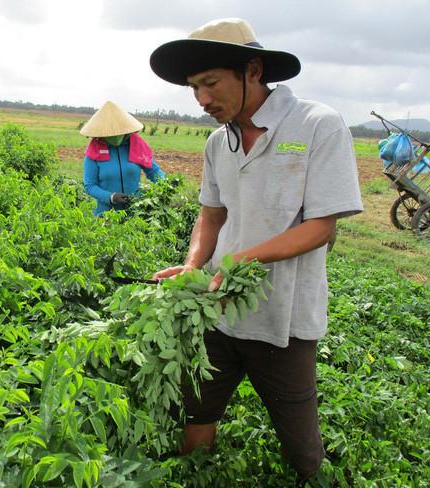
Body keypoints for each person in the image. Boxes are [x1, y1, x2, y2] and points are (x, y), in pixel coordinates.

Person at [149, 18, 364, 479]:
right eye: (194, 89)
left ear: (252, 69)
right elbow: (211, 214)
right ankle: (195, 475)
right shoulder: (216, 142)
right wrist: (192, 266)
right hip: (217, 311)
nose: (203, 100)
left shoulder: (315, 125)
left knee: (300, 441)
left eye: (210, 83)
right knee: (197, 411)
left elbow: (321, 227)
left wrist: (243, 259)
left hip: (284, 319)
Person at [81, 101, 165, 215]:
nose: (115, 136)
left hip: (134, 214)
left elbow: (154, 172)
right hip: (105, 215)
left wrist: (166, 183)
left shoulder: (137, 146)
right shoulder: (94, 151)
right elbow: (90, 186)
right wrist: (111, 197)